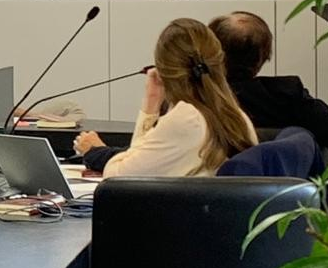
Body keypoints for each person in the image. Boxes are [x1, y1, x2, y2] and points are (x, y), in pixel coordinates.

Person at [209, 12, 328, 202]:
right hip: (286, 212)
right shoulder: (286, 97)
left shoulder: (191, 103)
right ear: (263, 57)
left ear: (209, 53)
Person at [74, 18, 256, 177]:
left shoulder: (185, 118)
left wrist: (94, 150)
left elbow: (122, 177)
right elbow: (140, 161)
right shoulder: (237, 116)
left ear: (163, 69)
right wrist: (152, 100)